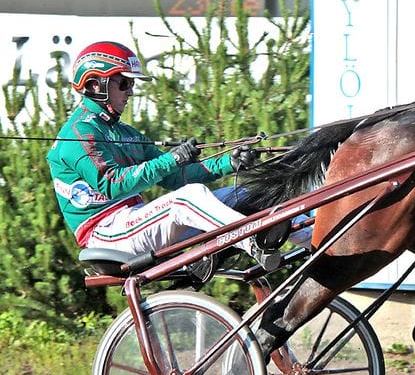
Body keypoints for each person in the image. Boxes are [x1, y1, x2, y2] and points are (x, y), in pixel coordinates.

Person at [47, 40, 283, 270]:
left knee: (240, 194)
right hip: (106, 233)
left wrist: (228, 163)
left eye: (132, 85)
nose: (130, 92)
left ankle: (314, 245)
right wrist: (172, 159)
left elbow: (172, 177)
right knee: (187, 198)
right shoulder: (78, 132)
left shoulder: (123, 132)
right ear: (95, 84)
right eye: (124, 84)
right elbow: (112, 183)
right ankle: (253, 242)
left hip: (134, 222)